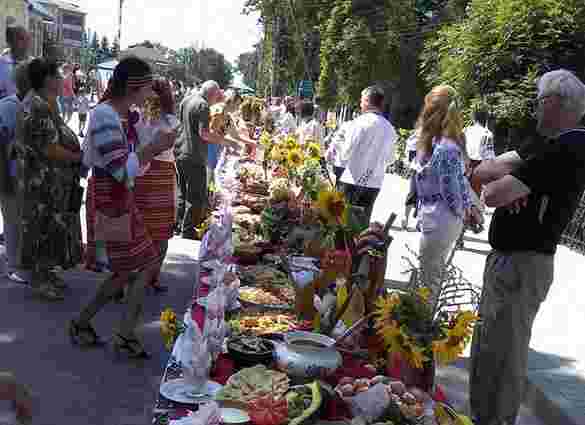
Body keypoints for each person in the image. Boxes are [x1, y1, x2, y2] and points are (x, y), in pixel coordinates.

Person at [469, 70, 585, 425]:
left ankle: (495, 420)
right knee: (489, 345)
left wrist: (505, 188)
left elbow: (491, 192)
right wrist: (507, 185)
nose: (534, 109)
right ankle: (483, 417)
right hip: (510, 260)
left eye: (538, 101)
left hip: (523, 262)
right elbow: (485, 170)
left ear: (554, 103)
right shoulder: (545, 143)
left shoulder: (569, 147)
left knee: (504, 353)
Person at [72, 57, 176, 357]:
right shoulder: (105, 115)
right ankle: (119, 332)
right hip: (111, 199)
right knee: (137, 267)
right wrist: (153, 148)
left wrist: (152, 145)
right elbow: (121, 170)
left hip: (119, 198)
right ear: (134, 87)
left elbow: (133, 167)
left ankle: (97, 326)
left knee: (130, 269)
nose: (151, 94)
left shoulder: (123, 115)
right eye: (147, 86)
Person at [13, 58, 84, 301]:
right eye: (56, 75)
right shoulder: (38, 106)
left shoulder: (42, 102)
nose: (60, 79)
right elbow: (49, 148)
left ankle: (47, 273)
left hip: (44, 179)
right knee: (42, 228)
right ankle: (40, 280)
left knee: (49, 227)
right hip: (41, 181)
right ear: (47, 79)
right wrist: (76, 156)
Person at [412, 85, 475, 306]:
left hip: (441, 218)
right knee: (428, 277)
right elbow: (460, 184)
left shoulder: (446, 147)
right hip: (437, 217)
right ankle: (421, 327)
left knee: (429, 280)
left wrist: (463, 212)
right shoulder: (441, 143)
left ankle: (421, 332)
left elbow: (452, 190)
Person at [174, 80, 238, 239]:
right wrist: (227, 142)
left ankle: (178, 226)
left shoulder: (187, 99)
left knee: (183, 193)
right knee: (196, 195)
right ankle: (188, 231)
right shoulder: (202, 105)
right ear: (212, 93)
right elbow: (204, 133)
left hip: (180, 151)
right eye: (216, 96)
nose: (216, 100)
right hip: (194, 155)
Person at [133, 77, 178, 294]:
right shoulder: (170, 121)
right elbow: (167, 148)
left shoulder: (137, 117)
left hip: (141, 175)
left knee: (140, 230)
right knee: (160, 234)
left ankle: (134, 276)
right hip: (161, 177)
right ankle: (152, 277)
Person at [339, 86, 397, 222]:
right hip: (374, 183)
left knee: (343, 224)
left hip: (352, 180)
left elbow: (345, 153)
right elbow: (390, 159)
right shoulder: (390, 128)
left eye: (361, 100)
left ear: (366, 101)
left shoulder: (358, 123)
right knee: (362, 224)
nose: (360, 104)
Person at [0, 62, 30, 284]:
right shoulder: (11, 106)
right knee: (12, 219)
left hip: (16, 173)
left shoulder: (20, 104)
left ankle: (15, 263)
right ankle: (12, 266)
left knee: (15, 219)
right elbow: (7, 143)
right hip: (9, 172)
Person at [464, 109, 495, 197]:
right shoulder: (487, 134)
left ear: (473, 119)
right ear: (485, 119)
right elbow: (489, 155)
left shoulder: (465, 131)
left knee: (463, 193)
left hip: (464, 165)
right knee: (475, 195)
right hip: (478, 166)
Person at [0, 20, 30, 100]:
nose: (26, 42)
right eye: (21, 39)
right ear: (10, 41)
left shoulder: (33, 64)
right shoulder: (1, 64)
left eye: (27, 38)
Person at [401, 129, 420, 229]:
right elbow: (410, 144)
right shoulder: (420, 131)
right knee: (412, 193)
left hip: (432, 169)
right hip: (418, 167)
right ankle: (406, 217)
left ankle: (420, 220)